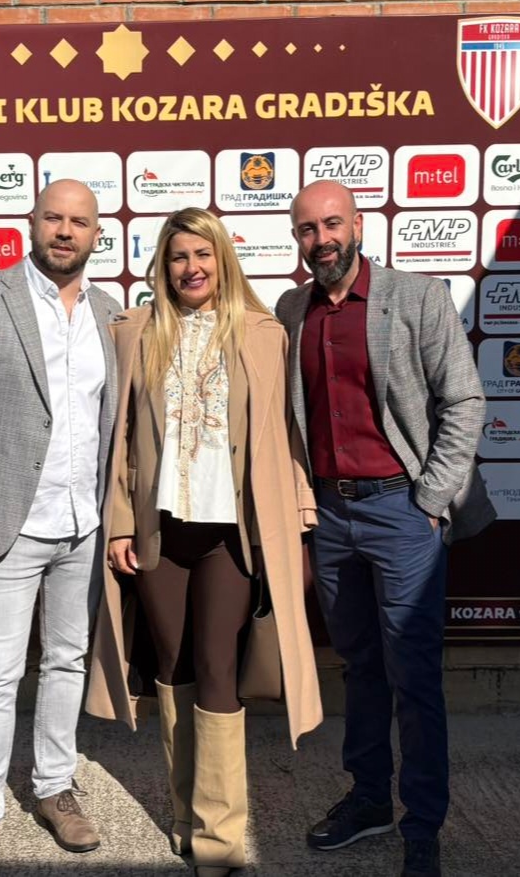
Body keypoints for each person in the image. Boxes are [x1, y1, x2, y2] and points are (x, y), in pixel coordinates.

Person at [85, 207, 323, 877]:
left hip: (230, 535)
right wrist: (121, 521)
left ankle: (218, 838)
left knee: (218, 668)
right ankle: (184, 814)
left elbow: (286, 430)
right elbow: (121, 441)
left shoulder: (263, 334)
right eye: (178, 256)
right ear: (163, 266)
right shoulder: (133, 332)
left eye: (202, 254)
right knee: (172, 667)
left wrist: (300, 510)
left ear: (222, 259)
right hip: (161, 530)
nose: (191, 268)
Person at [276, 181, 495, 877]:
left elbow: (463, 400)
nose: (322, 240)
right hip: (330, 515)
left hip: (402, 510)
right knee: (360, 667)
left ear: (358, 225)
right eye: (307, 229)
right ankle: (369, 800)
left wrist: (429, 500)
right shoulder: (291, 310)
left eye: (332, 224)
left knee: (413, 674)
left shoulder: (417, 297)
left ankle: (422, 824)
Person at [0, 179, 122, 877]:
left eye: (79, 221)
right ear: (31, 223)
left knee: (67, 662)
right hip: (4, 522)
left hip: (84, 522)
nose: (65, 231)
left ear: (96, 233)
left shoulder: (109, 313)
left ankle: (53, 789)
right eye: (53, 218)